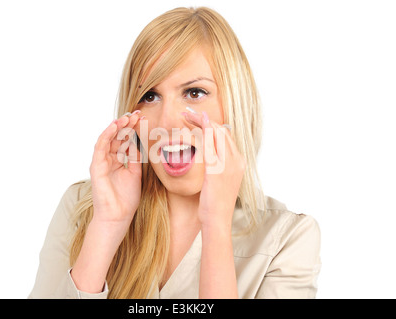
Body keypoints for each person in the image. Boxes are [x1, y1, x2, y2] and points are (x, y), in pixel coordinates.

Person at [29, 6, 321, 299]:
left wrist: (216, 227)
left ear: (234, 105)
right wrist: (107, 227)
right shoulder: (84, 209)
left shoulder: (286, 239)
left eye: (194, 92)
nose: (167, 120)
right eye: (150, 96)